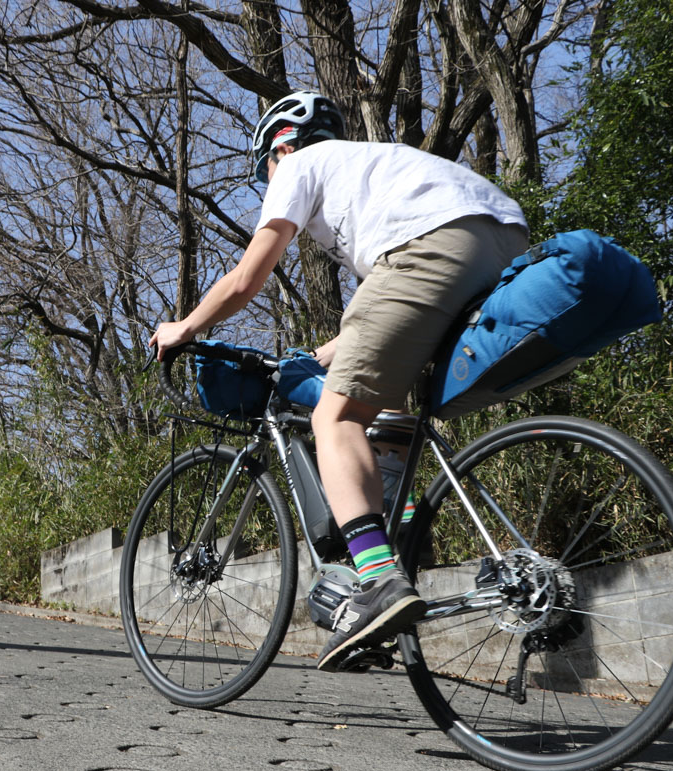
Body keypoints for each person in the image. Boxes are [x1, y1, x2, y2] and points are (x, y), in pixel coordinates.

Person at [149, 91, 529, 671]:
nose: (268, 181)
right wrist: (325, 354)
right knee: (388, 406)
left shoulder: (298, 163)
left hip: (429, 244)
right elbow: (387, 320)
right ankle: (401, 534)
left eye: (263, 171)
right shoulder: (377, 167)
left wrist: (185, 326)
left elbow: (249, 276)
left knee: (335, 416)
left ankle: (378, 582)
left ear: (280, 145)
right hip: (501, 237)